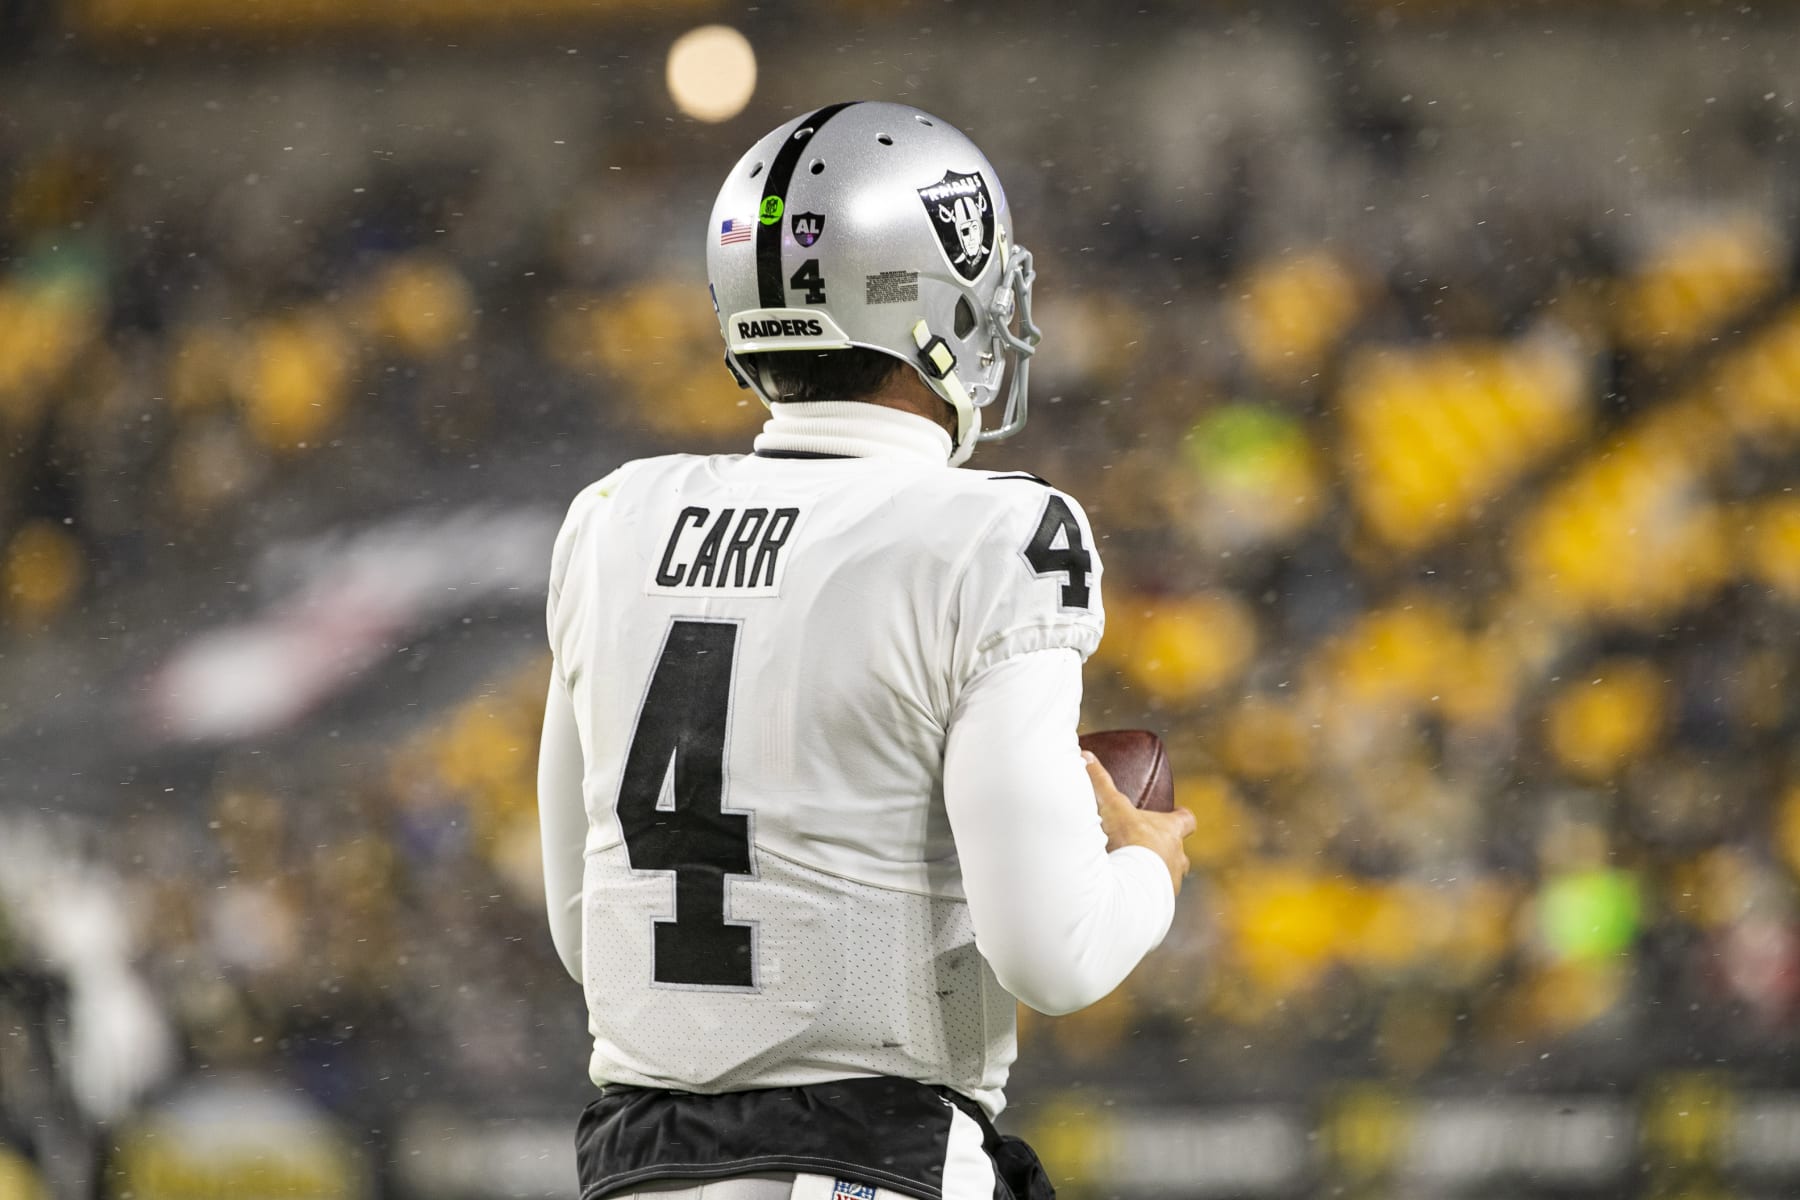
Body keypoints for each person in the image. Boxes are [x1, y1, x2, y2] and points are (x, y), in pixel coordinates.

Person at [537, 100, 1195, 1200]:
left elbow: (582, 928)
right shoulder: (993, 533)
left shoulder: (614, 516)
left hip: (638, 1168)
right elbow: (1055, 954)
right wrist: (1150, 868)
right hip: (862, 1164)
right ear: (936, 303)